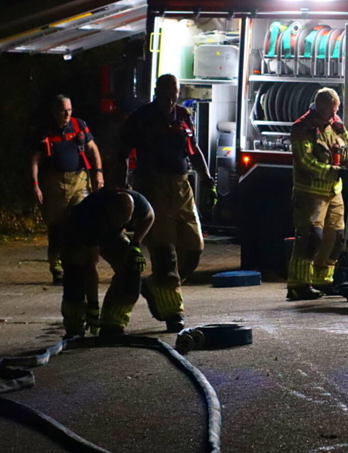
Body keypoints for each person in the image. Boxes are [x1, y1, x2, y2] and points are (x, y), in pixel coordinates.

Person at [119, 74, 214, 333]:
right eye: (166, 94)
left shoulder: (183, 116)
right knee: (165, 253)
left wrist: (207, 179)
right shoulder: (141, 118)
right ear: (156, 92)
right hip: (152, 186)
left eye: (175, 94)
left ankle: (155, 287)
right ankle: (174, 312)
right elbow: (122, 153)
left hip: (182, 187)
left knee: (194, 248)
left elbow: (193, 149)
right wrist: (123, 189)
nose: (171, 100)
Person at [287, 87, 348, 301]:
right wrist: (335, 171)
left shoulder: (335, 123)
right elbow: (305, 161)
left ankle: (323, 281)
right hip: (310, 193)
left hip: (334, 192)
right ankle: (298, 284)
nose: (332, 115)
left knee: (335, 238)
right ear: (318, 106)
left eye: (335, 111)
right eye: (329, 111)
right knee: (310, 238)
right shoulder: (302, 128)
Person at [58, 187, 154, 338]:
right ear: (109, 210)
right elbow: (91, 267)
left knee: (131, 266)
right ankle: (74, 326)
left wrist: (135, 245)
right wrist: (93, 305)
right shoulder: (90, 214)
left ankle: (113, 322)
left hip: (111, 234)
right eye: (116, 221)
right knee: (76, 274)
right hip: (77, 233)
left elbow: (149, 217)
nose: (119, 224)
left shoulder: (140, 203)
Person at [32, 95, 104, 285]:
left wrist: (98, 173)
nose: (67, 114)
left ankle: (77, 264)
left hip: (79, 180)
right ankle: (56, 267)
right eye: (63, 110)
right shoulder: (44, 130)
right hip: (54, 182)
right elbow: (35, 160)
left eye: (69, 110)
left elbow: (93, 149)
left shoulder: (79, 125)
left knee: (81, 221)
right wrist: (35, 185)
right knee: (56, 226)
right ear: (54, 111)